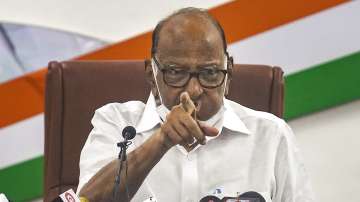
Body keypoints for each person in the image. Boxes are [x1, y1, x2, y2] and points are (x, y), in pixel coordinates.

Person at [77, 7, 314, 202]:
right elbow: (86, 200)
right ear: (152, 75)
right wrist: (161, 142)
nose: (194, 91)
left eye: (210, 73)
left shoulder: (271, 135)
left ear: (229, 72)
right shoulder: (116, 124)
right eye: (177, 73)